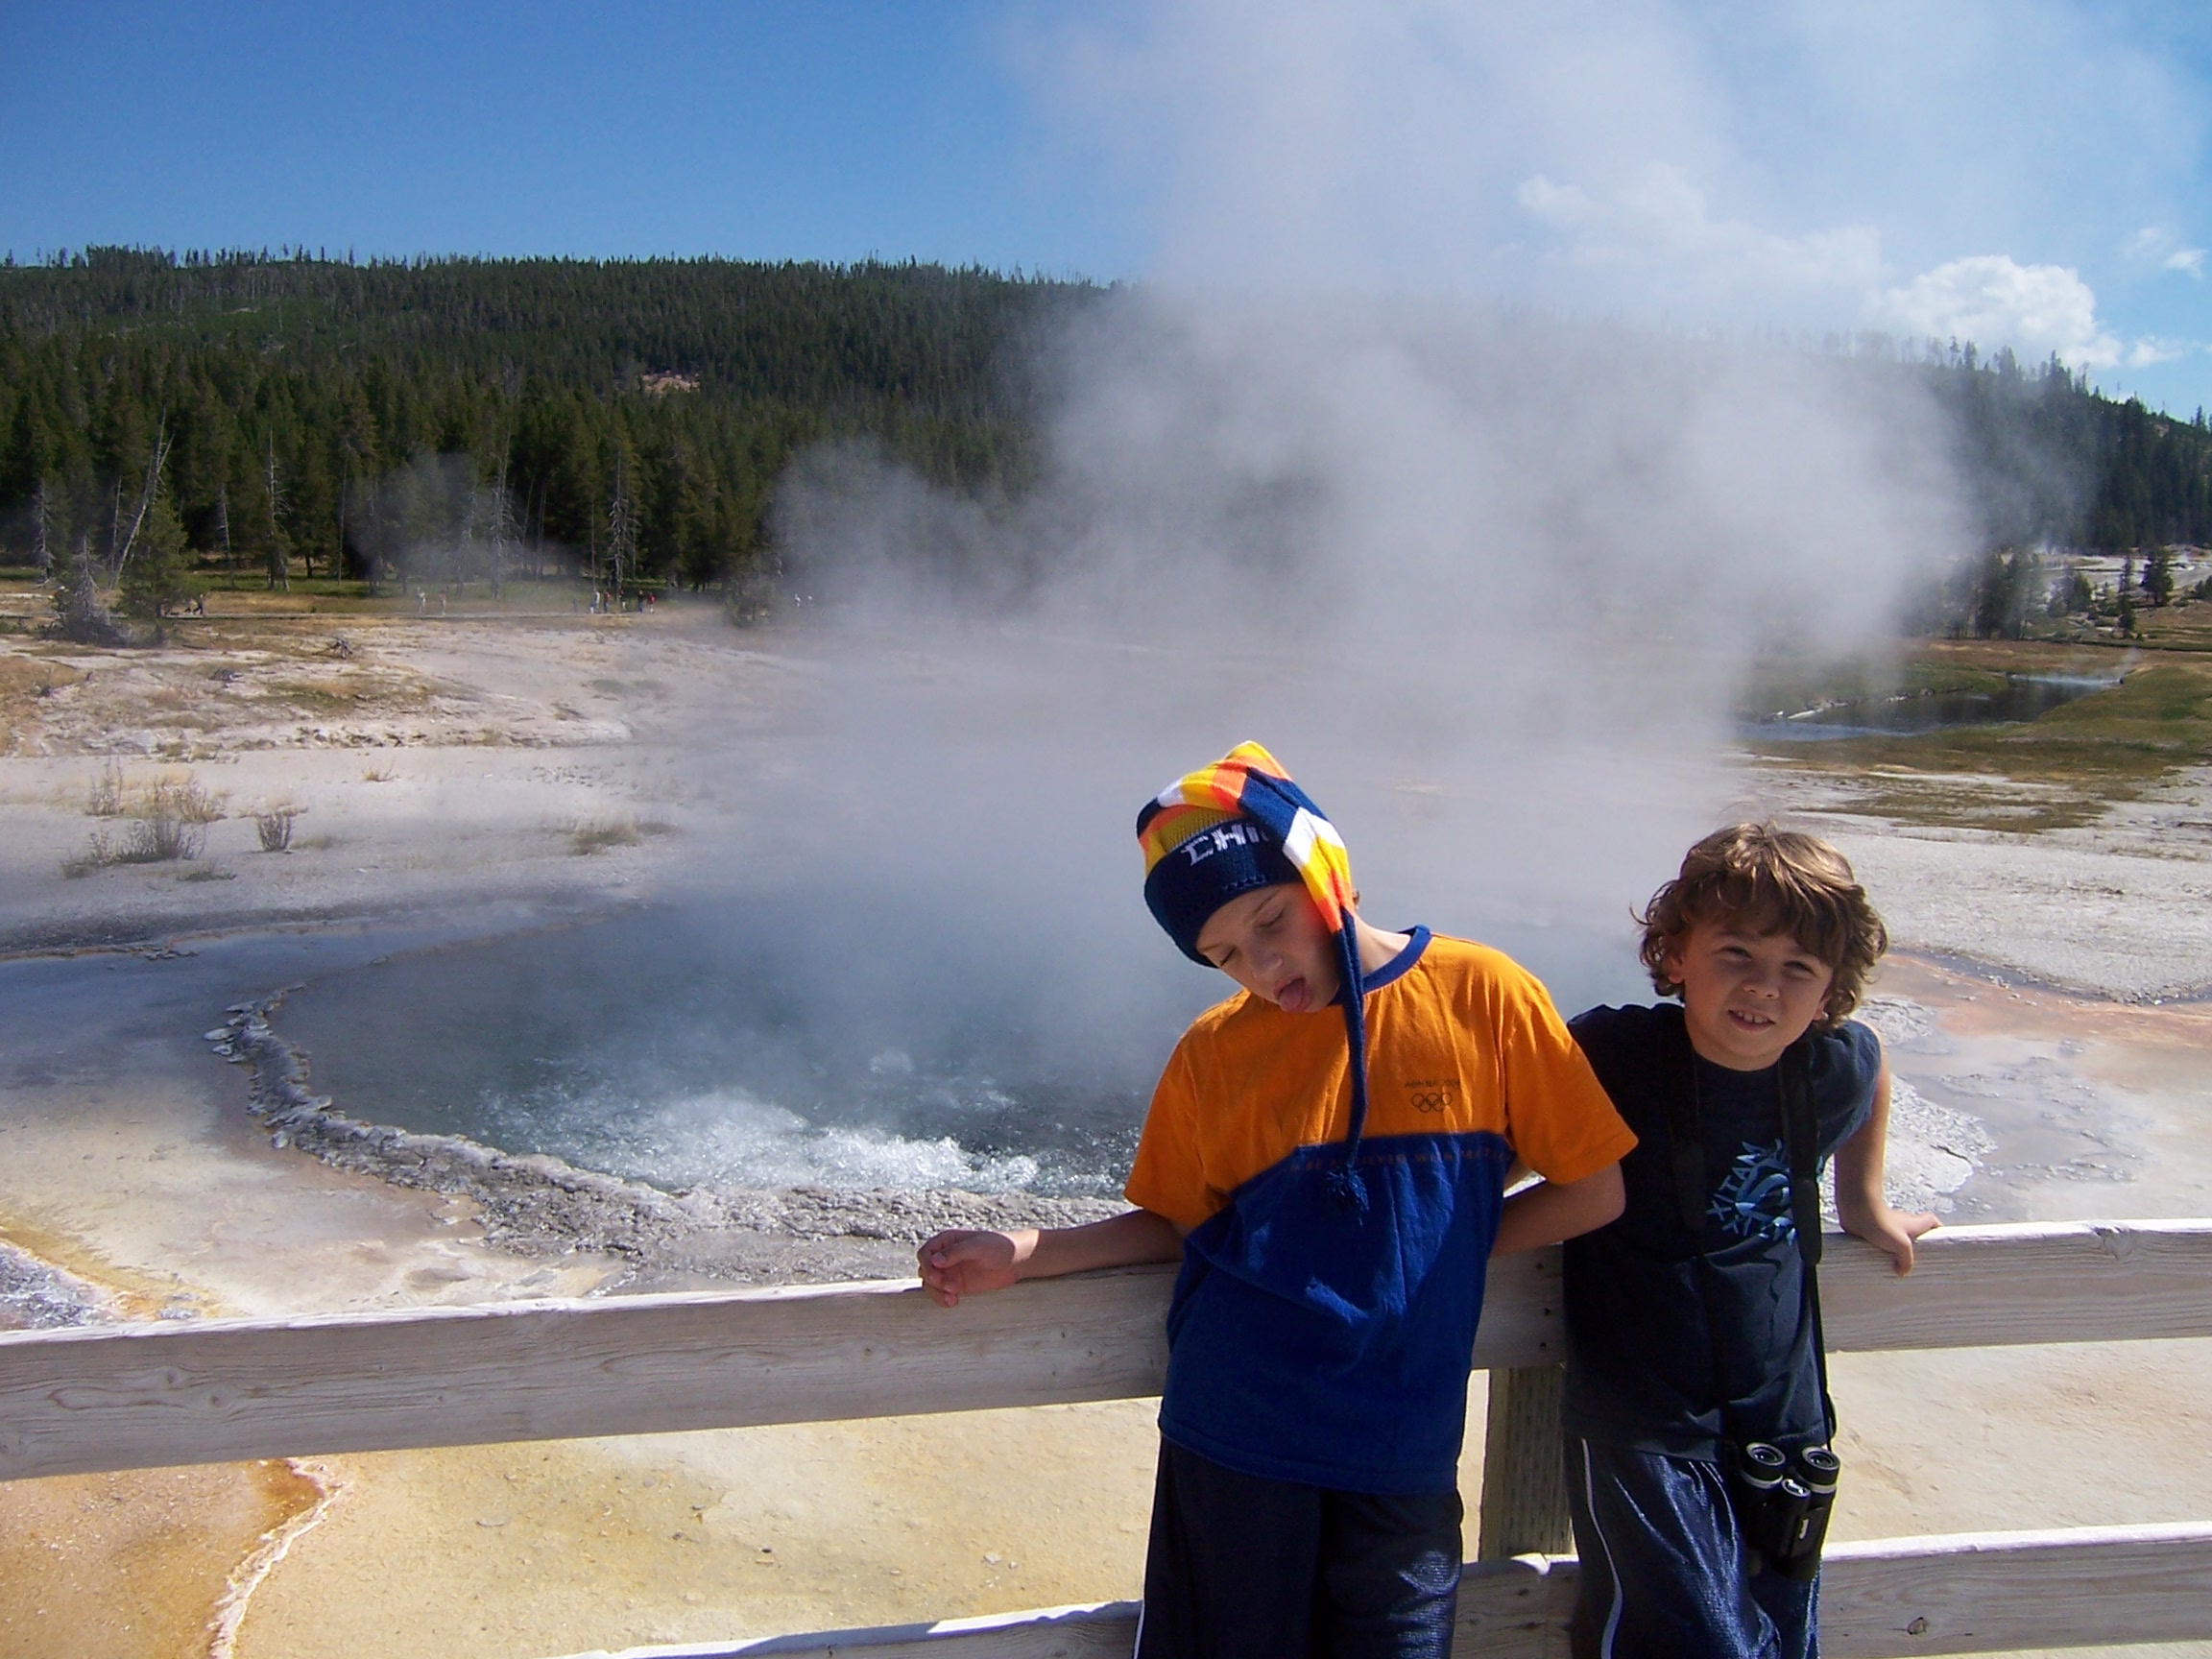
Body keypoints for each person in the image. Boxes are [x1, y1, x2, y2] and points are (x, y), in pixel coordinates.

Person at [918, 741, 1636, 1659]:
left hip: (1402, 1447)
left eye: (1270, 920)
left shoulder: (1484, 998)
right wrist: (1025, 1251)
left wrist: (1447, 1243)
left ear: (1326, 873)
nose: (1260, 966)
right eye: (1222, 955)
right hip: (1237, 1438)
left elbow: (1595, 1187)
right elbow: (1182, 1221)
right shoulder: (1215, 1054)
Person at [1562, 825, 1939, 1659]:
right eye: (1735, 953)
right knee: (1698, 1644)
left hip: (1788, 1426)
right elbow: (1516, 1115)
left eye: (1798, 969)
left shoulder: (1826, 1068)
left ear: (1831, 987)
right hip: (1646, 1426)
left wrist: (1865, 1201)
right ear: (1675, 954)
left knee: (1780, 1638)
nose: (1764, 988)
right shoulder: (1616, 1053)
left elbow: (1870, 1061)